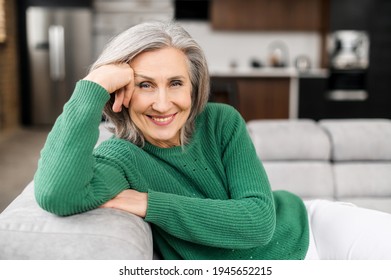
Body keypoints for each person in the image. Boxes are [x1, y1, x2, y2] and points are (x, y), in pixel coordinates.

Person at [34, 21, 391, 260]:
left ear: (194, 87)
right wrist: (93, 86)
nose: (162, 103)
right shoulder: (119, 157)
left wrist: (150, 203)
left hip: (314, 228)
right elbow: (56, 194)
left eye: (175, 83)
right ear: (122, 94)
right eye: (145, 85)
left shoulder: (221, 121)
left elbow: (258, 220)